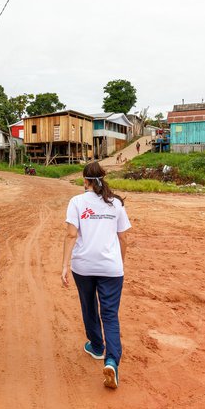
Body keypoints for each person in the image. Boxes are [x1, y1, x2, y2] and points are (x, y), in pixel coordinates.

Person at [61, 161, 132, 389]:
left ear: (85, 181)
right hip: (111, 268)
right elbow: (123, 238)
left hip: (83, 266)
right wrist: (118, 264)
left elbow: (71, 235)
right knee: (110, 315)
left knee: (89, 306)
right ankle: (111, 361)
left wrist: (64, 265)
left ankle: (97, 347)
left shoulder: (77, 202)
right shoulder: (116, 204)